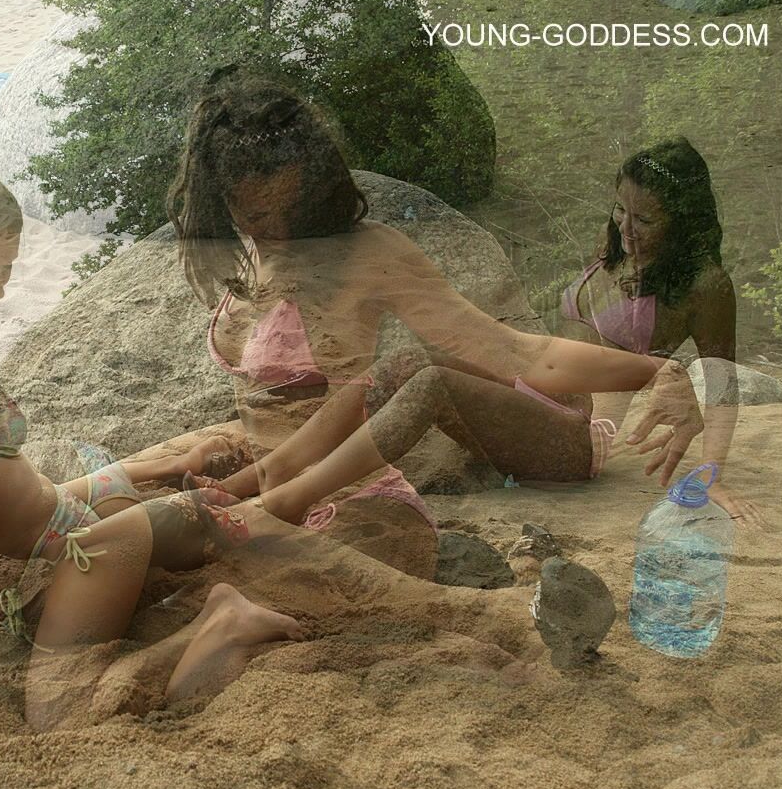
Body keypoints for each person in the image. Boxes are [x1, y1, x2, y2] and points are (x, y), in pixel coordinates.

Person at [0, 157, 303, 730]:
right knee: (63, 708)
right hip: (51, 549)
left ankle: (223, 611)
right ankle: (212, 585)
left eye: (6, 268)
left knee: (59, 717)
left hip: (75, 548)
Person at [164, 73, 705, 541]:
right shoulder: (251, 261)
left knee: (416, 369)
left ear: (314, 189)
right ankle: (254, 483)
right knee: (392, 374)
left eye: (287, 208)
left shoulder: (369, 253)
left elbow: (524, 352)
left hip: (560, 439)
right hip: (485, 424)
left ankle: (278, 497)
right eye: (252, 213)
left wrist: (658, 371)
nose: (275, 227)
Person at [553, 137, 759, 526]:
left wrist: (712, 475)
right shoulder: (618, 246)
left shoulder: (705, 286)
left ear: (683, 222)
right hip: (535, 386)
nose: (627, 228)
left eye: (645, 220)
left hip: (575, 432)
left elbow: (722, 385)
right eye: (620, 209)